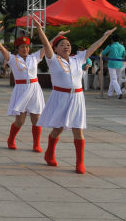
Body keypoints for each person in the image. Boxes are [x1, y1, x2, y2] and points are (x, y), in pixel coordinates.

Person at [33, 17, 116, 174]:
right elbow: (45, 44)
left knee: (78, 129)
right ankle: (49, 153)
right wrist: (39, 28)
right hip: (60, 96)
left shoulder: (78, 59)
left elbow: (93, 47)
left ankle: (80, 163)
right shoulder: (53, 60)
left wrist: (105, 36)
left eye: (68, 45)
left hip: (77, 97)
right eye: (62, 45)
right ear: (55, 49)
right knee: (57, 128)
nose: (66, 47)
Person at [101, 34, 125, 99]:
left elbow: (103, 53)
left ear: (112, 40)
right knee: (114, 79)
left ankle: (119, 93)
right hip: (119, 64)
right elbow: (124, 54)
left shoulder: (110, 46)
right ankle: (110, 93)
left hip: (111, 64)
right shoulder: (122, 46)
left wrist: (103, 52)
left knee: (114, 79)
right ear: (119, 39)